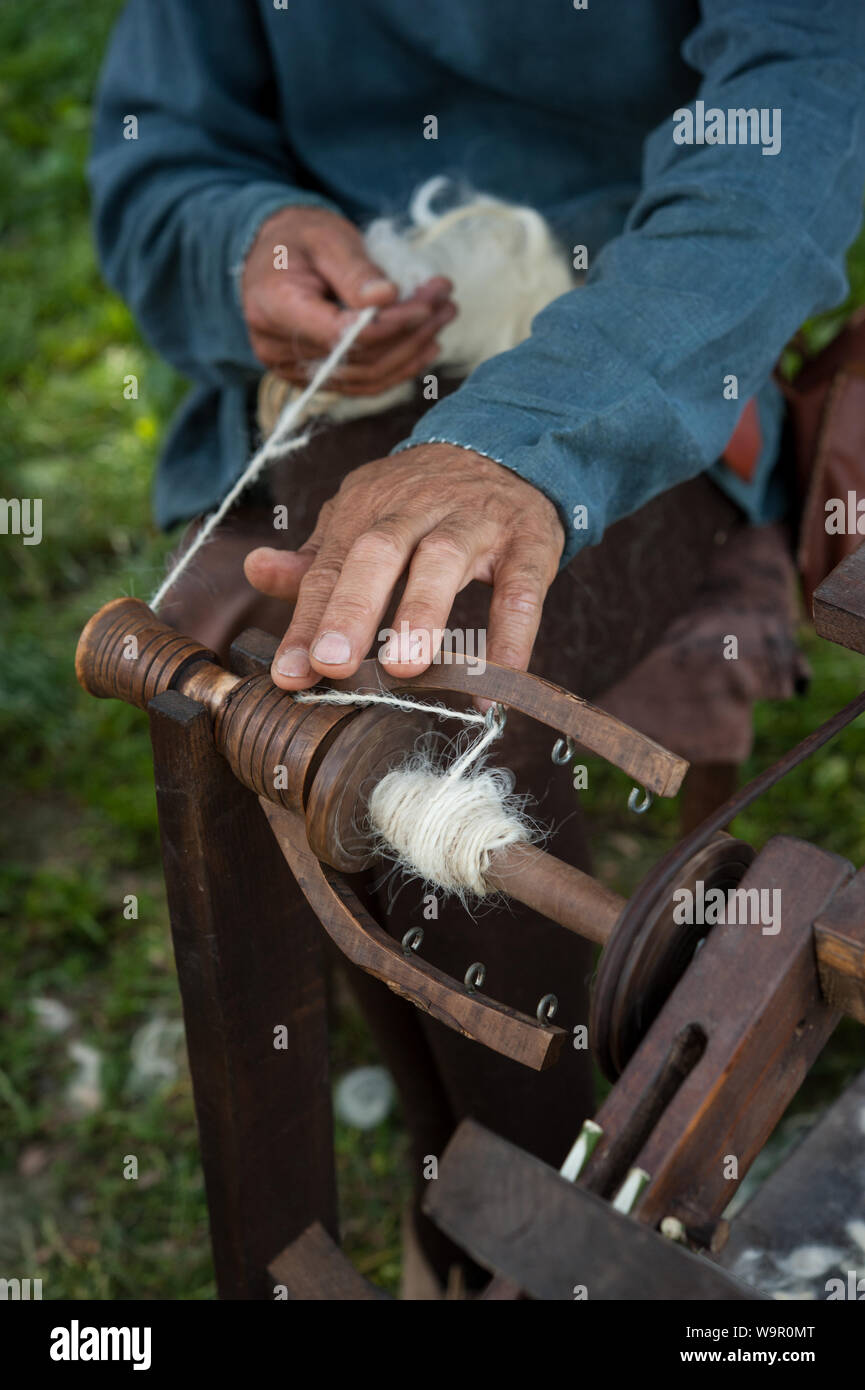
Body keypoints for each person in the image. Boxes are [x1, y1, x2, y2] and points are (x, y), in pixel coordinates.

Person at [90, 1, 865, 1294]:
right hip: (336, 390)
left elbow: (791, 132)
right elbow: (158, 149)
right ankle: (514, 1202)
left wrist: (524, 436)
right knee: (353, 676)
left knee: (413, 665)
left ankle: (526, 1218)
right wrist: (241, 243)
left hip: (640, 360)